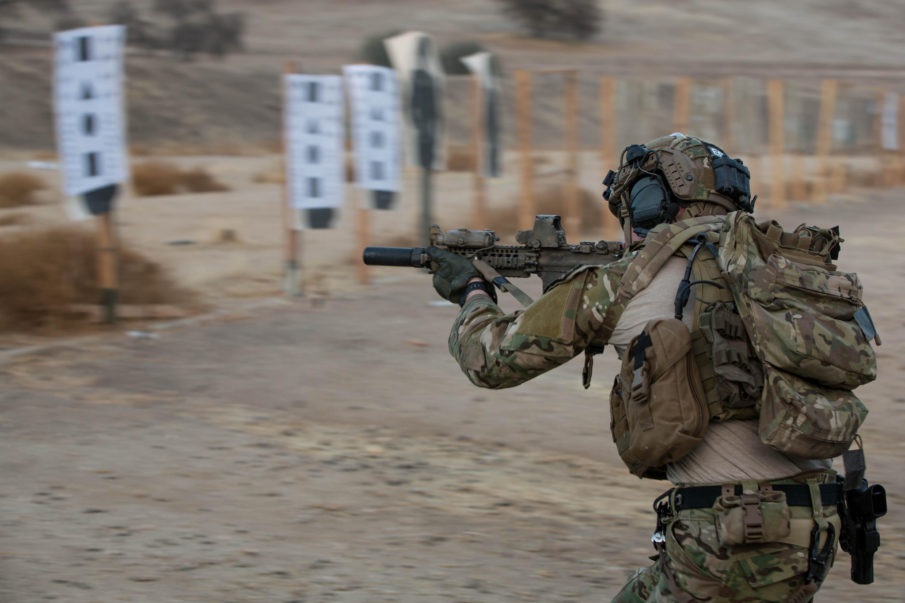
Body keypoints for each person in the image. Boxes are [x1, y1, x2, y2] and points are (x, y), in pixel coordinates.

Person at [427, 133, 844, 602]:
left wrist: (472, 294)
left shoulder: (631, 280)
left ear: (650, 204)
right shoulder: (788, 272)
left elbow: (490, 358)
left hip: (730, 532)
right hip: (819, 526)